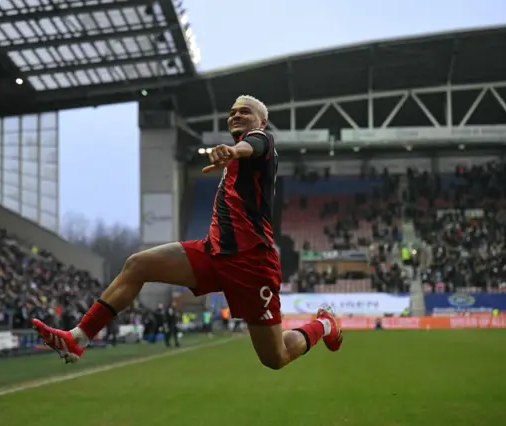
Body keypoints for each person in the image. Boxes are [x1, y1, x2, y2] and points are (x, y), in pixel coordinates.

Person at [33, 95, 343, 370]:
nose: (236, 115)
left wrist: (234, 151)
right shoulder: (236, 160)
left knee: (275, 358)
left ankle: (322, 325)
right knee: (137, 265)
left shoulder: (262, 143)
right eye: (233, 111)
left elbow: (256, 144)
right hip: (212, 253)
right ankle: (78, 337)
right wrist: (233, 154)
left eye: (245, 112)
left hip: (252, 264)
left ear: (261, 121)